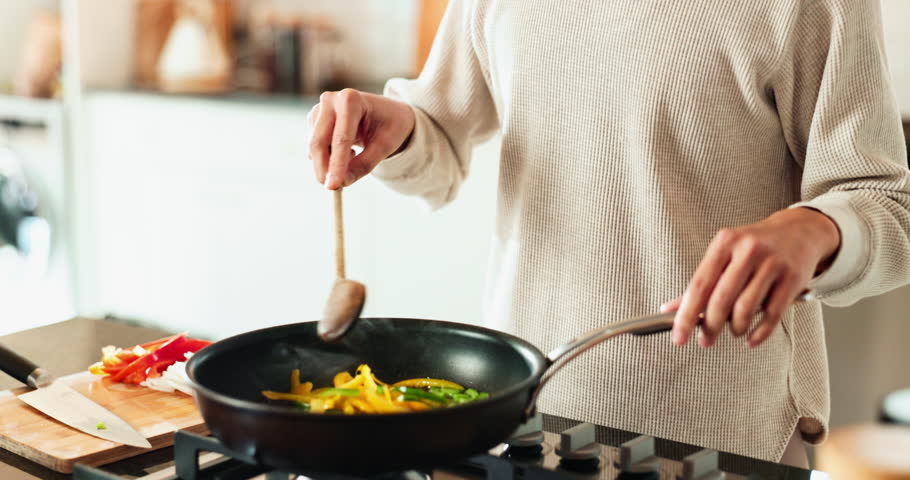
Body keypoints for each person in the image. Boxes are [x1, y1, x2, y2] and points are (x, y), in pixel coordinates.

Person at [306, 0, 910, 467]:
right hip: (529, 415)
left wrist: (812, 230)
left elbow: (886, 202)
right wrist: (403, 130)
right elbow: (441, 130)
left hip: (727, 435)